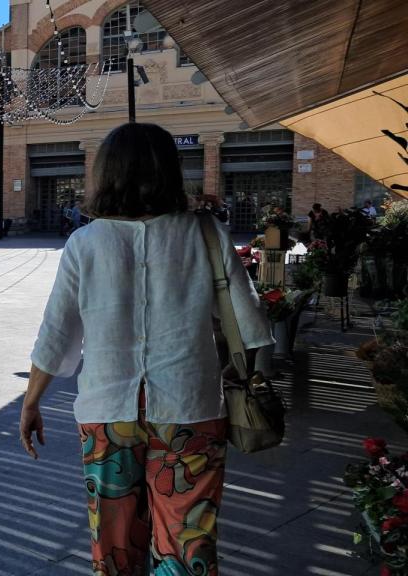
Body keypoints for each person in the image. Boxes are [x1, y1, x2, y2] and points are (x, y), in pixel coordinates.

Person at [20, 123, 273, 575]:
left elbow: (55, 333)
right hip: (191, 408)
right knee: (188, 544)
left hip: (106, 413)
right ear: (170, 173)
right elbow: (252, 326)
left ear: (106, 174)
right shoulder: (208, 236)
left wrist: (31, 401)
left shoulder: (85, 243)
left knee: (113, 547)